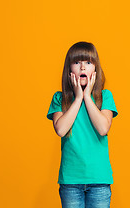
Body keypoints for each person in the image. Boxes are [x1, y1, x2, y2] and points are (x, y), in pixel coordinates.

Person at [47, 41, 118, 208]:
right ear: (69, 69)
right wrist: (78, 98)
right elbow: (61, 129)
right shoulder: (60, 98)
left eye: (88, 62)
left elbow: (103, 128)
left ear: (95, 68)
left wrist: (87, 96)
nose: (83, 68)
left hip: (99, 180)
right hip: (71, 181)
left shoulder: (105, 97)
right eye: (77, 62)